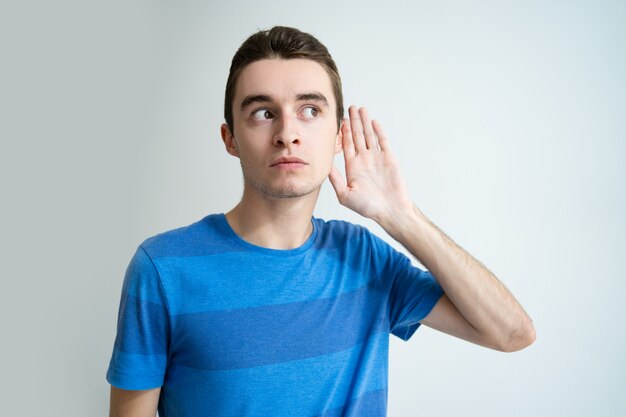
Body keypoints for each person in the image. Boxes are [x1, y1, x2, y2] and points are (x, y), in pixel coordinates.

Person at [106, 26, 535, 417]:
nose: (287, 133)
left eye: (310, 110)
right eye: (262, 112)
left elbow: (511, 333)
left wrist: (400, 216)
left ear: (338, 136)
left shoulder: (366, 258)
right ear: (230, 138)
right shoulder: (162, 269)